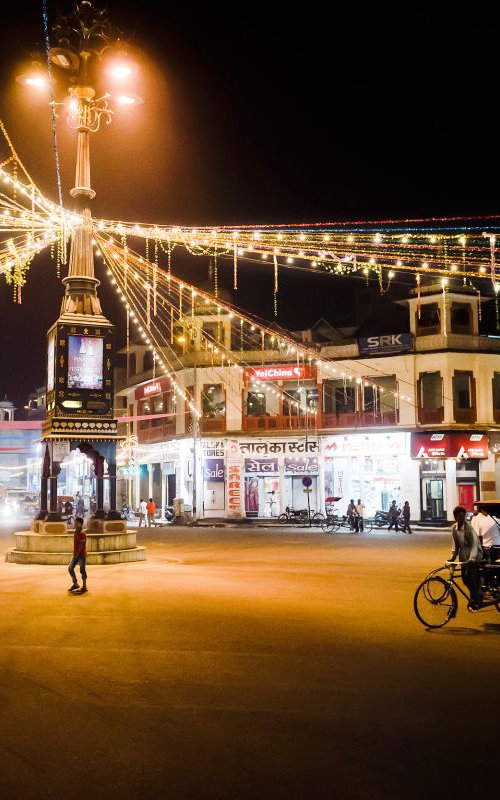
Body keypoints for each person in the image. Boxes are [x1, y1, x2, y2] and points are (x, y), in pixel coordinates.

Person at [449, 505, 483, 610]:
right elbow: (455, 544)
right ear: (455, 517)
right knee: (464, 579)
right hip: (463, 556)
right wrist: (453, 557)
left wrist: (472, 559)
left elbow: (475, 544)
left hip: (474, 555)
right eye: (459, 516)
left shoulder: (469, 528)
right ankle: (477, 595)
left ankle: (477, 598)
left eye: (463, 516)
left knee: (470, 578)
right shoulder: (454, 528)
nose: (461, 518)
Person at [68, 517, 88, 595]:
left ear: (80, 524)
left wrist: (76, 556)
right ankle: (75, 584)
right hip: (76, 554)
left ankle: (84, 586)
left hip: (81, 555)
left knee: (82, 570)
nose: (75, 524)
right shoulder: (76, 532)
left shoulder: (82, 533)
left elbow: (81, 546)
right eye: (75, 523)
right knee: (70, 568)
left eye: (76, 523)